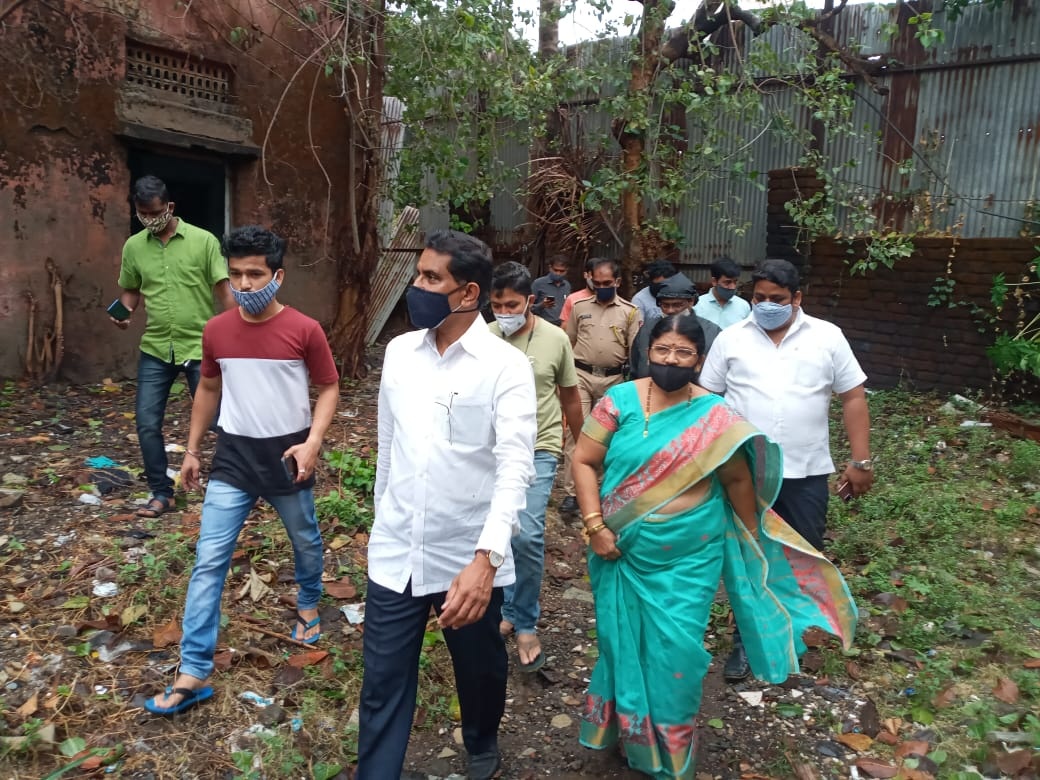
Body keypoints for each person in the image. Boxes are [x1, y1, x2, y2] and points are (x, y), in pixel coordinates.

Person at [572, 315, 857, 779]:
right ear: (648, 352)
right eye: (662, 350)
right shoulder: (618, 402)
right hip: (620, 549)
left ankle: (672, 750)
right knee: (621, 642)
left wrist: (755, 538)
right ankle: (630, 732)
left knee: (677, 652)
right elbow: (584, 460)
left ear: (699, 360)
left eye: (683, 352)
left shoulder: (715, 416)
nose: (671, 360)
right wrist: (594, 525)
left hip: (690, 558)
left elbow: (738, 479)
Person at [357, 230, 536, 780]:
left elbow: (515, 468)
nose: (416, 286)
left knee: (479, 669)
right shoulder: (399, 353)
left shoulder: (505, 367)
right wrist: (381, 525)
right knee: (382, 681)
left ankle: (481, 739)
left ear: (468, 293)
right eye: (419, 273)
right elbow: (389, 446)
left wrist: (487, 560)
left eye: (431, 278)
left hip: (466, 556)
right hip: (396, 551)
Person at [144, 225, 339, 715]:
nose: (245, 284)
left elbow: (329, 386)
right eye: (236, 274)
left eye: (255, 274)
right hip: (233, 458)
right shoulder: (217, 330)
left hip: (286, 457)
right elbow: (209, 389)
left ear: (278, 276)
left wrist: (313, 442)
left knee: (305, 539)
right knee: (209, 559)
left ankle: (309, 602)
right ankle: (193, 670)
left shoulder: (304, 329)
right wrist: (192, 450)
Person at [700, 257, 873, 682]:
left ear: (797, 298)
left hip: (806, 471)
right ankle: (747, 642)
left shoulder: (827, 337)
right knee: (750, 557)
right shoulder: (731, 339)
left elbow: (853, 397)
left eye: (776, 299)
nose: (766, 305)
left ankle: (793, 637)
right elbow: (706, 400)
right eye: (758, 297)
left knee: (803, 554)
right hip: (746, 473)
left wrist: (860, 461)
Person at [113, 175, 235, 518]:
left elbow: (224, 291)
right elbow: (131, 291)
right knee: (146, 422)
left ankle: (235, 487)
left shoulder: (203, 241)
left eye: (155, 213)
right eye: (143, 214)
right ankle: (161, 493)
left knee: (220, 421)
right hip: (156, 348)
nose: (150, 220)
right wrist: (123, 313)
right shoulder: (134, 247)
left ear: (169, 207)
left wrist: (241, 334)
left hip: (200, 346)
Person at [489, 262, 583, 671]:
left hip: (539, 447)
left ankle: (524, 620)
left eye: (512, 305)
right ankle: (501, 607)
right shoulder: (483, 338)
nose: (504, 313)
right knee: (494, 531)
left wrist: (584, 448)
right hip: (490, 449)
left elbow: (570, 397)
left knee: (525, 535)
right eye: (496, 305)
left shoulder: (555, 339)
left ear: (530, 300)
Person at [558, 258, 641, 518]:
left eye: (607, 283)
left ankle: (601, 490)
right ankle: (573, 493)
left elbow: (634, 350)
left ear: (617, 282)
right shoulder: (579, 307)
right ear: (590, 280)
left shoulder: (630, 312)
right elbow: (568, 341)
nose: (602, 287)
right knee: (576, 433)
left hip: (613, 380)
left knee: (606, 435)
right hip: (580, 375)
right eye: (598, 283)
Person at [629, 273, 721, 379]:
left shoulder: (711, 332)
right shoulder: (647, 329)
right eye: (665, 305)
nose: (670, 310)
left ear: (691, 302)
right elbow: (635, 367)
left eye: (677, 305)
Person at [693, 256, 750, 328]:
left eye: (735, 282)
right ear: (714, 281)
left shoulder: (743, 306)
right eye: (727, 282)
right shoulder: (697, 306)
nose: (733, 287)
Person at [630, 259, 677, 324]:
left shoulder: (680, 294)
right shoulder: (639, 300)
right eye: (658, 285)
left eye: (665, 285)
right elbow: (636, 328)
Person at [531, 254, 572, 326]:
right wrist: (542, 305)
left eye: (562, 271)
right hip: (543, 325)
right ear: (550, 268)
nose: (558, 273)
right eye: (555, 270)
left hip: (562, 326)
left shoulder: (567, 285)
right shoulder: (538, 283)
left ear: (567, 270)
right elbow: (527, 308)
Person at [559, 256, 596, 327]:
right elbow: (565, 326)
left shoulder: (610, 301)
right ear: (586, 275)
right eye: (593, 276)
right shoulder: (573, 299)